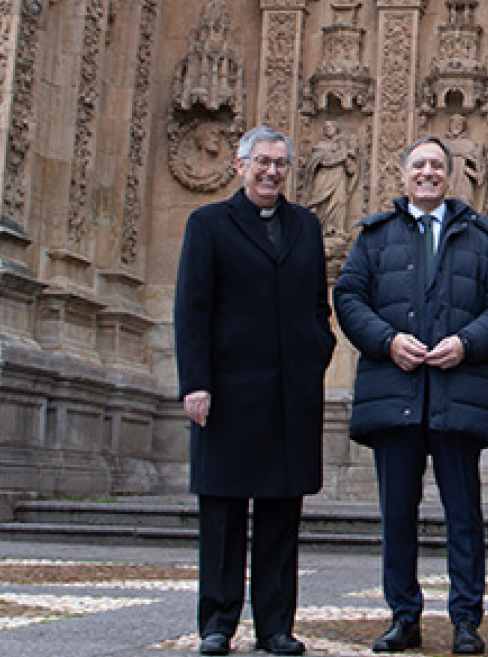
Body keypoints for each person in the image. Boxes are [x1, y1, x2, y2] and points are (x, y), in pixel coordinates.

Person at [334, 137, 488, 656]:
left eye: (437, 166)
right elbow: (347, 297)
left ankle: (466, 619)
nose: (428, 173)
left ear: (450, 175)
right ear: (403, 175)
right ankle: (403, 616)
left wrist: (466, 344)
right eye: (419, 165)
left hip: (456, 393)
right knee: (398, 514)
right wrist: (386, 340)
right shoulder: (375, 236)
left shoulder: (481, 238)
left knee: (464, 514)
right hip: (394, 393)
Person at [174, 126, 336, 657]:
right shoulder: (209, 225)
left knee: (280, 514)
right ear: (240, 166)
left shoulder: (305, 226)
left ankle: (275, 626)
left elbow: (318, 301)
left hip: (289, 392)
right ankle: (217, 623)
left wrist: (318, 350)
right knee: (221, 511)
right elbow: (191, 310)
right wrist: (195, 383)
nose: (272, 172)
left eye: (280, 164)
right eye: (262, 162)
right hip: (227, 391)